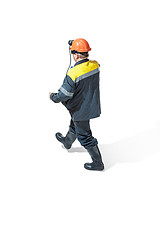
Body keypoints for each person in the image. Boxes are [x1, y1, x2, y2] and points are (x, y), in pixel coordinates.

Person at [49, 38, 104, 171]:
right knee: (76, 124)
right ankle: (67, 142)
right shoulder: (95, 65)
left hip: (80, 108)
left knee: (85, 136)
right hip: (90, 105)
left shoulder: (73, 73)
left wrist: (53, 97)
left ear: (76, 55)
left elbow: (64, 95)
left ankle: (98, 163)